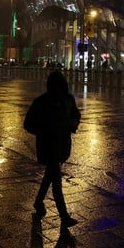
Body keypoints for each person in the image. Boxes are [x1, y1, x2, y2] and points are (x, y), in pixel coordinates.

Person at [23, 71, 81, 228]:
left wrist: (72, 125)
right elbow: (28, 124)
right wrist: (44, 131)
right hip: (48, 146)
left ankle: (38, 201)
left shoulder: (68, 100)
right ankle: (64, 216)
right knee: (56, 181)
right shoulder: (41, 102)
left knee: (50, 175)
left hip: (62, 145)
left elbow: (76, 115)